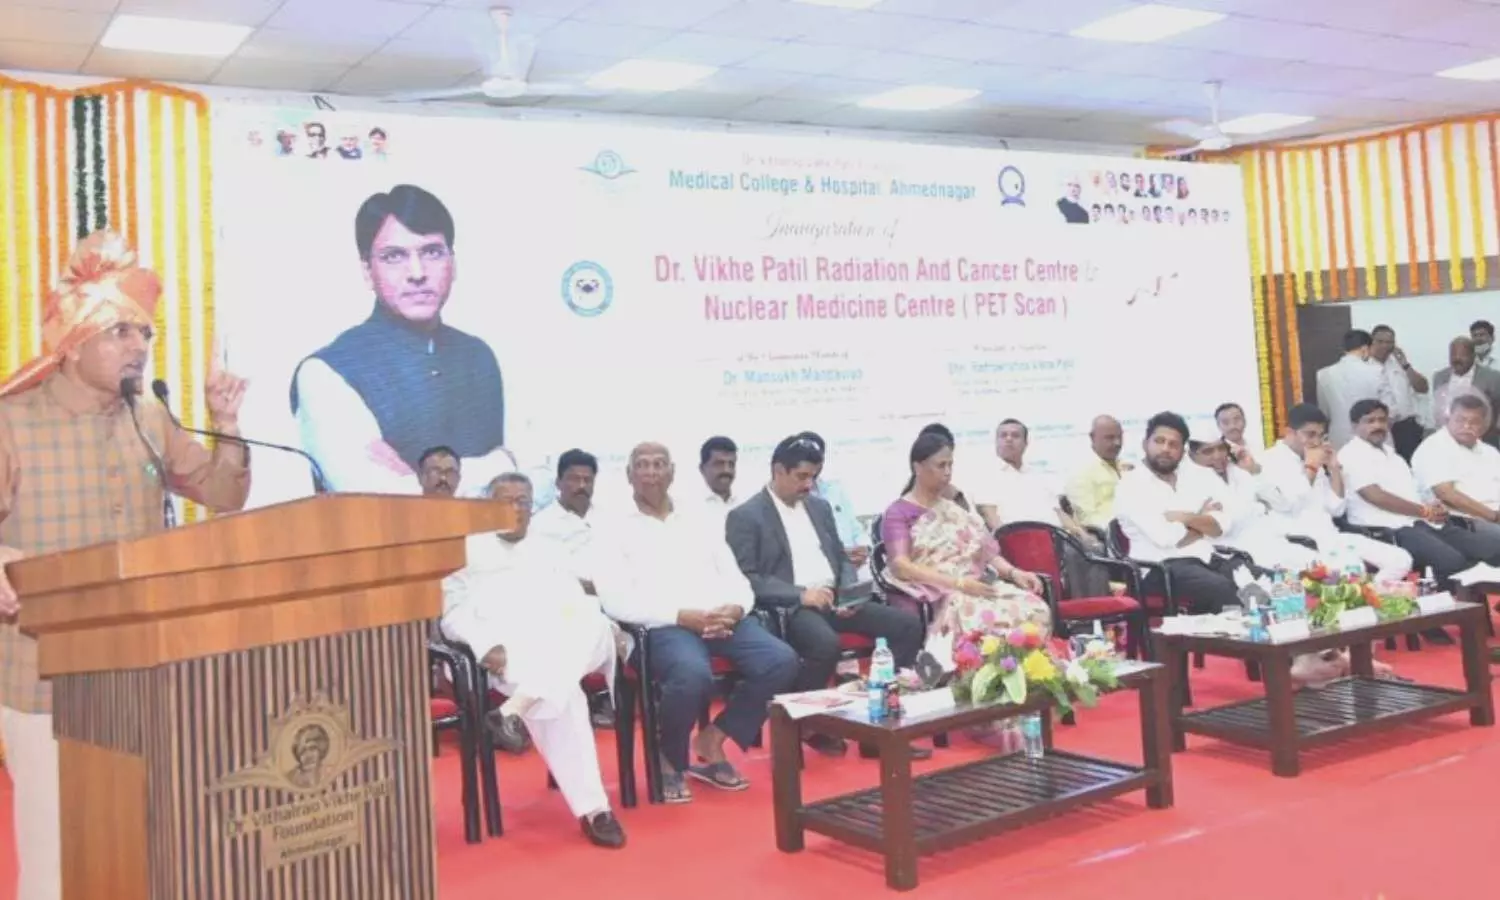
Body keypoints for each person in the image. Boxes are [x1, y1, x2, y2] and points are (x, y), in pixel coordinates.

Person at [0, 231, 252, 900]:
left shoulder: (148, 415)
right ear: (72, 339)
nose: (138, 346)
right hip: (44, 677)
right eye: (120, 331)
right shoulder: (11, 422)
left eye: (144, 332)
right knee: (57, 859)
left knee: (139, 844)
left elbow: (224, 493)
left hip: (140, 669)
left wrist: (226, 422)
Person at [594, 443, 798, 803]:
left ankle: (713, 738)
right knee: (691, 674)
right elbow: (614, 600)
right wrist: (680, 616)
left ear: (672, 472)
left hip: (719, 618)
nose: (651, 472)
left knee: (781, 661)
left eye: (659, 464)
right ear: (629, 475)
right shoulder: (611, 527)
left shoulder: (698, 517)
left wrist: (736, 608)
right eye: (642, 465)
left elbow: (735, 577)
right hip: (661, 626)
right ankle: (669, 757)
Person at [440, 473, 626, 848]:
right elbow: (451, 613)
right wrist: (483, 645)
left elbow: (575, 601)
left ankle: (516, 708)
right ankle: (595, 811)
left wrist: (603, 625)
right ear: (487, 507)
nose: (515, 509)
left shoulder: (548, 547)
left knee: (593, 622)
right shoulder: (464, 551)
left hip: (564, 641)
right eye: (504, 501)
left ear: (531, 506)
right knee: (566, 695)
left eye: (522, 501)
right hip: (510, 652)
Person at [289, 184, 511, 493]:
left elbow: (536, 483)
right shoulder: (326, 371)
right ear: (367, 271)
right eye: (394, 256)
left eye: (432, 252)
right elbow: (373, 495)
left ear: (453, 262)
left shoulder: (478, 356)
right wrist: (500, 464)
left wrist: (422, 479)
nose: (417, 273)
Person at [725, 435, 925, 759]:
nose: (809, 485)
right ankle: (806, 722)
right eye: (801, 476)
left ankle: (881, 727)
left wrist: (848, 592)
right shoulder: (747, 516)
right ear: (778, 470)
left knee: (906, 626)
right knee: (824, 644)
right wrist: (800, 594)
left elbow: (840, 558)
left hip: (835, 598)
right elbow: (748, 578)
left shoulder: (819, 507)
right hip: (791, 607)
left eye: (814, 477)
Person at [877, 432, 1050, 643]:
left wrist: (1014, 573)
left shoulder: (954, 509)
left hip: (975, 585)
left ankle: (1021, 663)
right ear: (917, 467)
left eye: (950, 465)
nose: (947, 472)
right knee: (981, 619)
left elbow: (986, 551)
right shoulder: (898, 513)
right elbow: (900, 566)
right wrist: (958, 583)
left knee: (1035, 609)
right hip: (939, 591)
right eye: (941, 466)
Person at [1340, 398, 1499, 601]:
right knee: (1451, 561)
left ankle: (1479, 612)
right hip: (1388, 528)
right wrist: (1423, 511)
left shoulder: (1394, 456)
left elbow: (1414, 493)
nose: (1377, 425)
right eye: (1370, 421)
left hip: (1421, 522)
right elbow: (1375, 496)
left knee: (1491, 547)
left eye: (1382, 420)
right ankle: (1443, 614)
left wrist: (1432, 507)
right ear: (1354, 426)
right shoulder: (1351, 454)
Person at [1114, 412, 1250, 614]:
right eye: (1159, 441)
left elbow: (1222, 525)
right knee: (1223, 589)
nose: (1165, 449)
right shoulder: (1131, 485)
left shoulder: (1194, 478)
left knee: (1260, 578)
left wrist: (1185, 517)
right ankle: (1235, 635)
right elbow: (1166, 537)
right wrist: (1202, 520)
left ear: (1182, 451)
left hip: (1206, 559)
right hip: (1160, 569)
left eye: (1173, 444)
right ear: (1145, 444)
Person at [1258, 404, 1412, 580]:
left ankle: (1373, 593)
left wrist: (1334, 468)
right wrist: (1311, 468)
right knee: (1353, 569)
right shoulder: (1268, 461)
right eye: (1310, 434)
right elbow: (1289, 505)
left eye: (1321, 436)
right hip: (1298, 542)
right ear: (1290, 432)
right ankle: (1363, 593)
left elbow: (1336, 509)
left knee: (1400, 560)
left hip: (1331, 537)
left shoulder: (1314, 461)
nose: (1316, 441)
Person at [971, 418, 1110, 595]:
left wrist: (1082, 533)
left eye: (1015, 436)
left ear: (1025, 443)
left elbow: (1058, 512)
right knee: (1074, 554)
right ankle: (1079, 608)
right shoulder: (986, 476)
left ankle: (1096, 607)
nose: (1008, 439)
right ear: (996, 442)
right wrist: (1008, 542)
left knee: (1094, 547)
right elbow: (990, 516)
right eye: (1003, 436)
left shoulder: (1037, 475)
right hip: (1022, 541)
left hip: (1056, 537)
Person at [1190, 438, 1315, 572]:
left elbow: (1282, 504)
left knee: (1315, 566)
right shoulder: (1188, 482)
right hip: (1233, 556)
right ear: (1192, 455)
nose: (1218, 456)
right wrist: (1198, 519)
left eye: (1221, 448)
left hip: (1270, 542)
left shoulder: (1238, 470)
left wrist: (1254, 470)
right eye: (1208, 451)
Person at [1412, 394, 1500, 549]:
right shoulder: (1434, 447)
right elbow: (1447, 494)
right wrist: (1494, 516)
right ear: (1448, 419)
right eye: (1460, 420)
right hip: (1463, 521)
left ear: (1484, 425)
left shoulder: (1489, 451)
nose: (1467, 426)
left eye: (1474, 422)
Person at [1368, 325, 1428, 461]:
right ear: (1372, 342)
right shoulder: (1365, 367)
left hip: (1406, 427)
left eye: (1389, 342)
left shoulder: (1400, 364)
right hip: (1380, 427)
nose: (1385, 346)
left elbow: (1423, 388)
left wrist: (1405, 364)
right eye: (1380, 342)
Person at [1315, 329, 1381, 448]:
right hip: (1371, 434)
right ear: (1365, 349)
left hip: (1339, 437)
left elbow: (1324, 412)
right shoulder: (1378, 371)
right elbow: (1391, 409)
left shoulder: (1323, 374)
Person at [1066, 415, 1132, 530]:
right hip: (1110, 534)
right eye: (1110, 438)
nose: (1117, 443)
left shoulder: (1127, 467)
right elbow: (1087, 519)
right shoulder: (1081, 472)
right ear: (1093, 438)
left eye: (1120, 437)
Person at [1432, 337, 1500, 445]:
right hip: (1449, 440)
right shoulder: (1440, 377)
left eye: (1462, 355)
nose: (1457, 359)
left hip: (1482, 439)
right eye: (1453, 355)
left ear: (1473, 355)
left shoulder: (1492, 377)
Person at [697, 435, 749, 515]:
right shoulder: (689, 507)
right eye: (719, 464)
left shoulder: (745, 503)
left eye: (731, 464)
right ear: (702, 469)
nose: (726, 470)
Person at [1214, 402, 1262, 471]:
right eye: (1225, 422)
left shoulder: (1259, 448)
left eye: (1236, 420)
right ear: (1218, 426)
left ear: (1244, 421)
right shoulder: (1215, 454)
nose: (1232, 426)